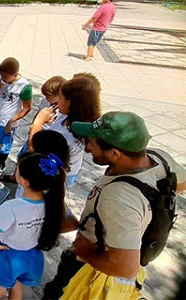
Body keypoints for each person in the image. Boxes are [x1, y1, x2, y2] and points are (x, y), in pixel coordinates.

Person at [42, 111, 186, 299]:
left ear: (115, 153)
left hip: (91, 264)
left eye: (91, 143)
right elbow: (181, 184)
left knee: (57, 294)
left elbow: (126, 268)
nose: (87, 148)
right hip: (130, 243)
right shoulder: (160, 158)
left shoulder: (118, 198)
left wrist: (84, 251)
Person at [0, 152, 65, 300]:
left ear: (24, 181)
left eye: (17, 168)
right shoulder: (54, 204)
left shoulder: (11, 207)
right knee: (17, 284)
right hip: (32, 257)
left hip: (8, 258)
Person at [27, 76, 101, 185]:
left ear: (70, 102)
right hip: (71, 170)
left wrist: (38, 122)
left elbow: (33, 150)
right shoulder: (82, 121)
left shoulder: (64, 135)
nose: (58, 101)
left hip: (53, 176)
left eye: (60, 98)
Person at [0, 57, 32, 177]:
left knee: (4, 144)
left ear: (14, 74)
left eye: (5, 77)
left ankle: (0, 164)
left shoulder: (24, 87)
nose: (3, 79)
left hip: (7, 122)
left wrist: (12, 121)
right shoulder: (2, 81)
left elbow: (27, 107)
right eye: (1, 76)